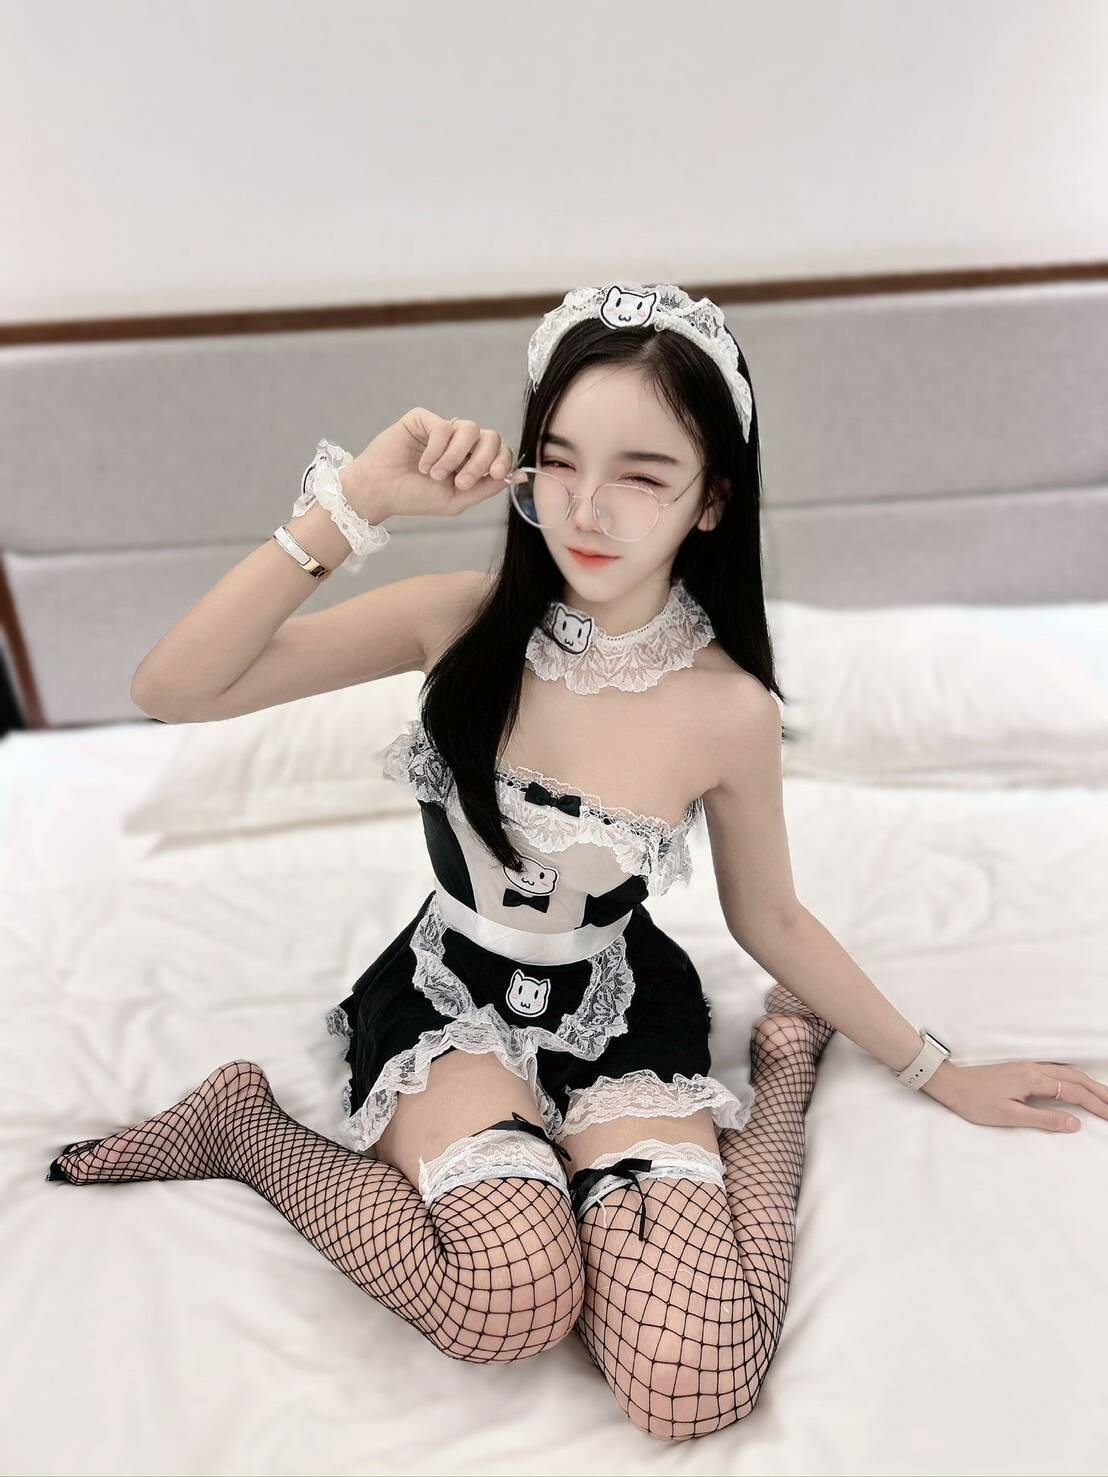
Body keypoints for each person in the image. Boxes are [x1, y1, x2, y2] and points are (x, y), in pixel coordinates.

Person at [47, 282, 1103, 1445]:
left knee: (693, 1382)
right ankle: (245, 1125)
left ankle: (783, 1078)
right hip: (451, 997)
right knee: (506, 1297)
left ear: (713, 499)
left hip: (618, 1003)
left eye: (643, 475)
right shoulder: (456, 619)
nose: (588, 509)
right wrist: (355, 505)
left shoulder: (727, 708)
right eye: (558, 462)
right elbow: (172, 689)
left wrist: (939, 1070)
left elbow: (771, 920)